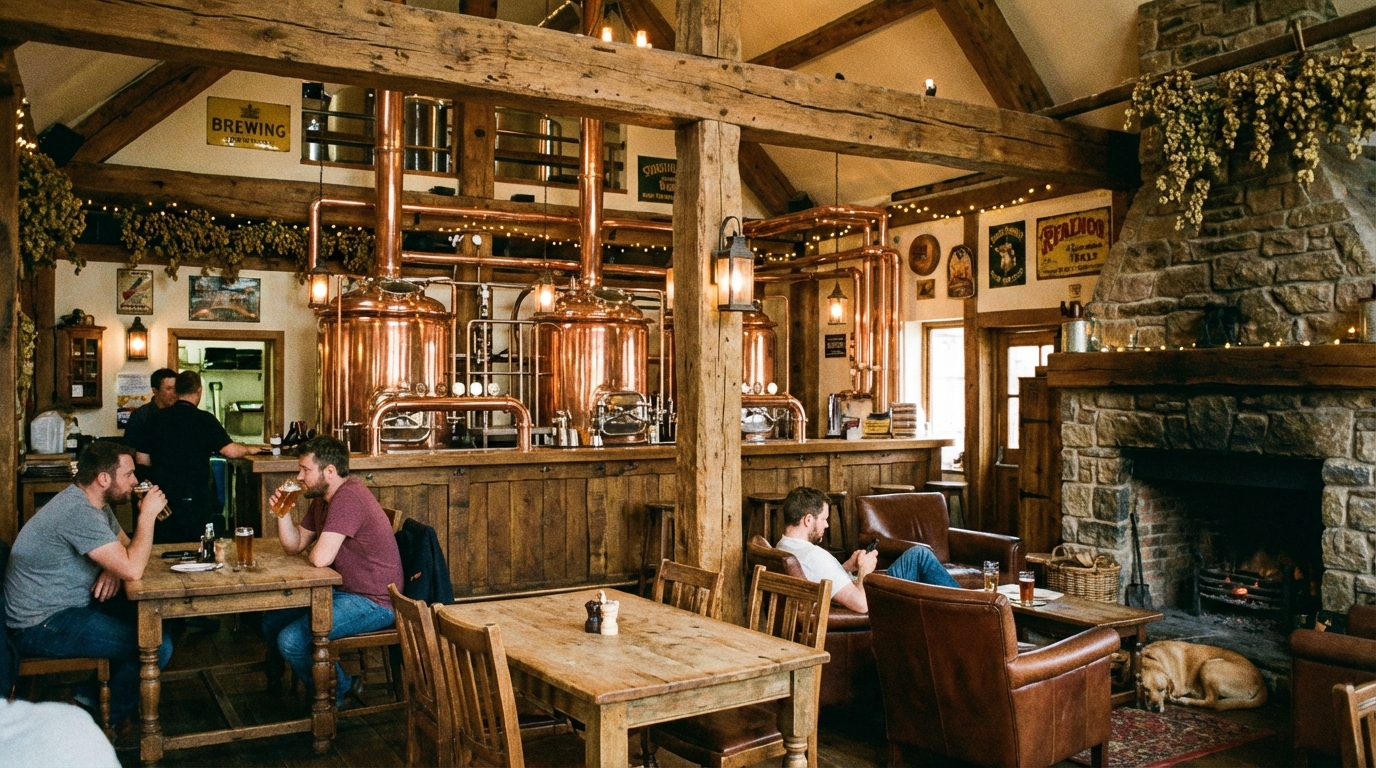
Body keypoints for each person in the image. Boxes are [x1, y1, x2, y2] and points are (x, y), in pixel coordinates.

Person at [3, 441, 174, 742]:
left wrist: (111, 567)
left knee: (157, 622)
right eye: (130, 474)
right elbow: (134, 569)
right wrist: (146, 516)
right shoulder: (78, 512)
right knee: (156, 645)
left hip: (67, 606)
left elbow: (124, 552)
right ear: (104, 479)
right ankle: (93, 715)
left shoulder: (94, 504)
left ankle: (87, 698)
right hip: (41, 624)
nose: (136, 481)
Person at [262, 436, 402, 708]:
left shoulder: (348, 496)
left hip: (375, 601)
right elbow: (295, 546)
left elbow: (319, 558)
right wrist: (282, 513)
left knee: (291, 640)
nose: (299, 477)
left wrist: (317, 551)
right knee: (272, 622)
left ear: (329, 471)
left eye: (305, 470)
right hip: (344, 591)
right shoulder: (323, 498)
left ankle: (338, 690)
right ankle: (312, 686)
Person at [775, 486, 959, 614]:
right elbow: (862, 605)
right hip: (870, 602)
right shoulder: (815, 556)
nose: (827, 524)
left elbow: (821, 579)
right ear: (808, 520)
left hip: (849, 590)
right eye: (824, 519)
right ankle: (969, 606)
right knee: (920, 556)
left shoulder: (782, 546)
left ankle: (958, 608)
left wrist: (846, 567)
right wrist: (863, 571)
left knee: (918, 556)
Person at [134, 370, 251, 543]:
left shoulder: (154, 419)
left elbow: (141, 460)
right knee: (199, 546)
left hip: (162, 498)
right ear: (199, 391)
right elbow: (230, 451)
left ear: (176, 391)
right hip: (196, 496)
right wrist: (252, 449)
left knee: (163, 548)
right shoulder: (204, 419)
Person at [122, 368, 177, 449]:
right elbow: (129, 448)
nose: (174, 393)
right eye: (169, 389)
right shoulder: (141, 416)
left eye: (175, 388)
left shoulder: (178, 414)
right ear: (155, 390)